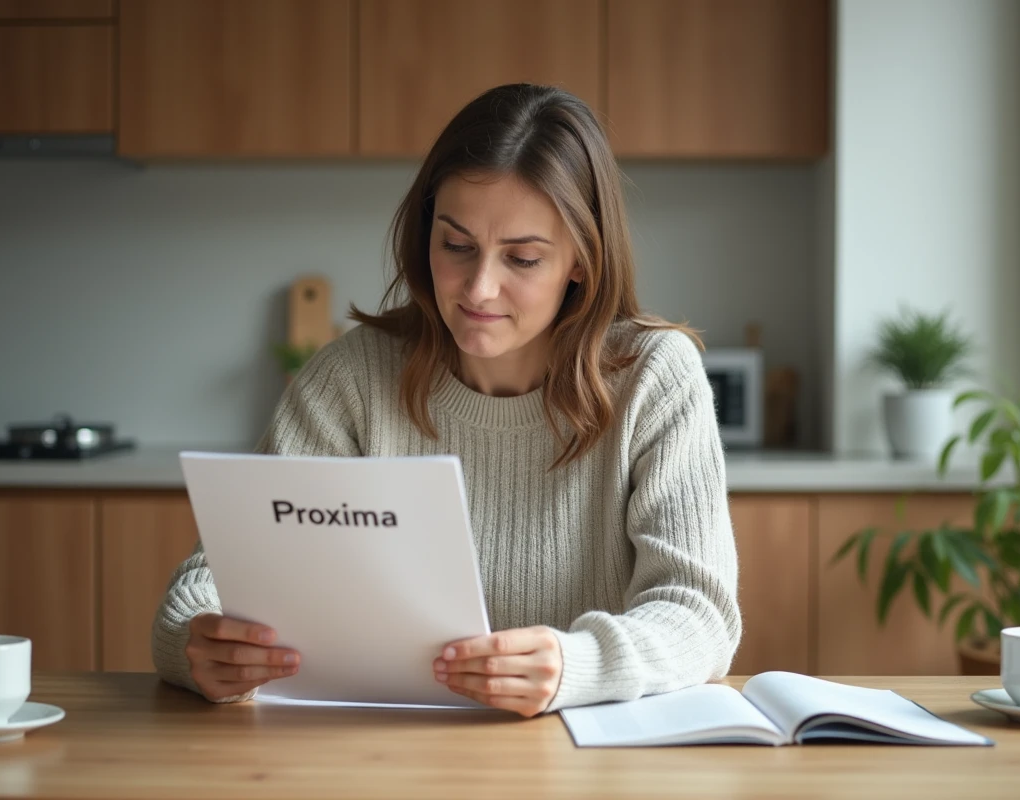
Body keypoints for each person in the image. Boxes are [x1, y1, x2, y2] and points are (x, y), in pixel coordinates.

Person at [152, 83, 741, 718]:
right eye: (456, 246)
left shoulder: (654, 376)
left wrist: (580, 664)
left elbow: (698, 614)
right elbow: (213, 582)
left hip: (589, 763)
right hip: (385, 761)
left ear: (581, 259)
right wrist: (197, 641)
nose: (479, 288)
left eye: (522, 258)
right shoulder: (351, 378)